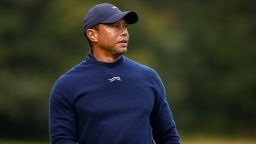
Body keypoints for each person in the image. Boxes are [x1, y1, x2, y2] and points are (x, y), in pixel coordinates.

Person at [49, 3, 180, 144]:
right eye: (115, 26)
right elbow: (62, 140)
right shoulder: (67, 85)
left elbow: (168, 136)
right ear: (92, 35)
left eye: (125, 26)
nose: (124, 32)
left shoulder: (148, 77)